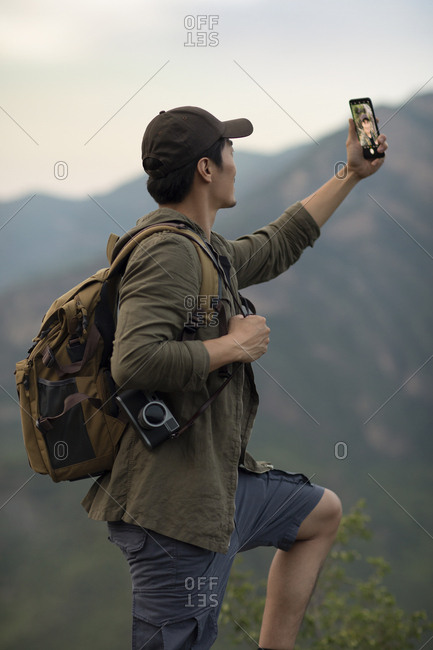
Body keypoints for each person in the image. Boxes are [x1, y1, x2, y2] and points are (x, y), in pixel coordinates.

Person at [82, 105, 388, 650]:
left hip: (216, 487)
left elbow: (276, 244)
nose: (235, 164)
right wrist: (233, 346)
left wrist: (349, 174)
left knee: (319, 513)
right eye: (229, 151)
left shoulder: (203, 248)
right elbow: (133, 360)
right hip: (171, 513)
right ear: (206, 168)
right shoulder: (167, 253)